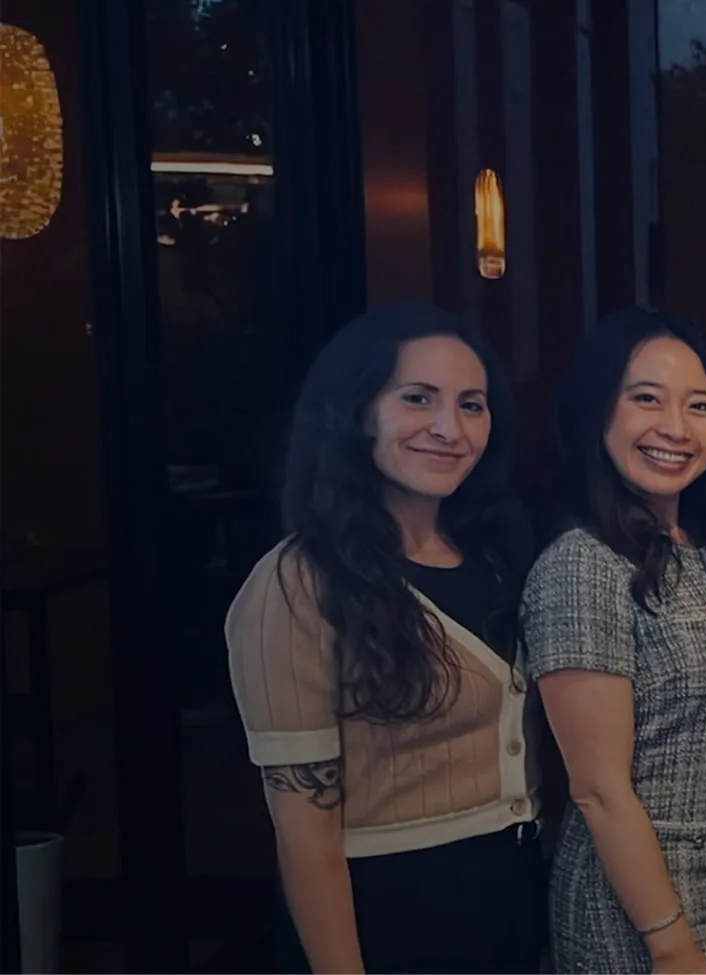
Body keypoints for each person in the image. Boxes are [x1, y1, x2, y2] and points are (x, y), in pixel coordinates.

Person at [225, 303, 544, 973]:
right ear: (357, 411)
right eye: (418, 398)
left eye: (472, 404)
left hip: (513, 906)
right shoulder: (297, 583)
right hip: (391, 922)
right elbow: (305, 839)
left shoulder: (495, 552)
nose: (449, 427)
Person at [526, 308, 706, 973]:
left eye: (699, 406)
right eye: (647, 399)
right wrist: (669, 941)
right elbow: (599, 789)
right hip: (634, 921)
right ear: (596, 411)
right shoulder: (582, 565)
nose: (675, 427)